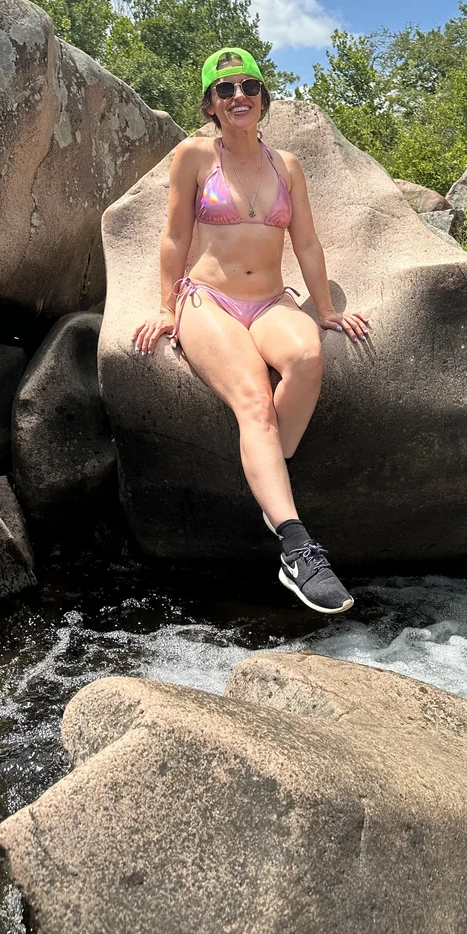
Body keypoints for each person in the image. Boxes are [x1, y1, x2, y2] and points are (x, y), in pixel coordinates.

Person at [132, 47, 369, 615]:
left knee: (307, 357)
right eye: (225, 89)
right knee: (255, 402)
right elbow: (174, 237)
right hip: (208, 300)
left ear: (262, 97)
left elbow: (305, 241)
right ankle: (296, 547)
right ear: (210, 105)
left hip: (270, 300)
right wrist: (165, 308)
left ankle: (267, 478)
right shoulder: (194, 156)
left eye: (249, 86)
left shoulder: (287, 165)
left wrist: (324, 307)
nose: (238, 96)